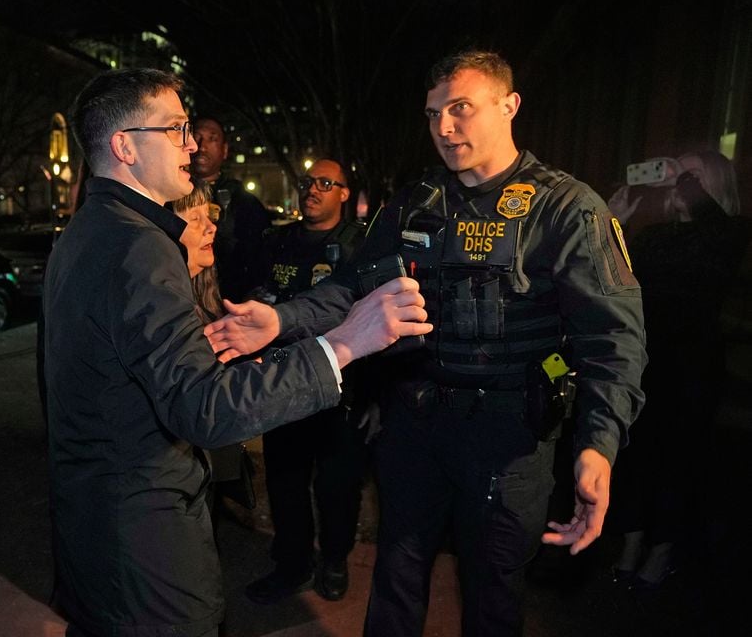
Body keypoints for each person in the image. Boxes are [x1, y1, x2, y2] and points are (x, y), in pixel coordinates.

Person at [205, 49, 648, 637]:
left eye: (460, 108)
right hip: (415, 427)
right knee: (397, 576)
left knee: (493, 594)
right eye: (433, 112)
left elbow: (613, 339)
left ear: (509, 106)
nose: (443, 126)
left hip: (509, 438)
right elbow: (352, 288)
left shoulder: (565, 209)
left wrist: (598, 445)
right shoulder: (414, 203)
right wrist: (281, 320)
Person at [43, 67, 432, 637]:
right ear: (124, 146)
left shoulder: (87, 231)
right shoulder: (139, 248)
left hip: (95, 524)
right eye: (175, 129)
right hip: (142, 540)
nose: (193, 143)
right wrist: (343, 343)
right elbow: (205, 410)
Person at [607, 148, 751, 590]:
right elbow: (612, 283)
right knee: (637, 455)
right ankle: (631, 546)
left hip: (693, 364)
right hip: (648, 359)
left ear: (714, 184)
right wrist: (612, 224)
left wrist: (681, 177)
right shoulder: (655, 234)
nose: (678, 181)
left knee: (678, 460)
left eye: (692, 176)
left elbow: (716, 240)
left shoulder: (729, 233)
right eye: (678, 174)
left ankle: (662, 550)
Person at [245, 158, 369, 604]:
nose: (311, 190)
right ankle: (292, 563)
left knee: (337, 485)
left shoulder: (361, 247)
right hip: (284, 383)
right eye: (306, 182)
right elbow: (257, 293)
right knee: (285, 481)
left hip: (342, 388)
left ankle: (334, 560)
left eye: (324, 183)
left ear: (343, 193)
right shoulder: (278, 243)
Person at [191, 116, 272, 301]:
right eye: (196, 137)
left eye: (212, 139)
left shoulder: (242, 201)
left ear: (225, 150)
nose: (202, 146)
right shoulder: (168, 194)